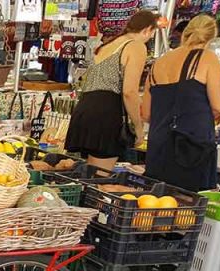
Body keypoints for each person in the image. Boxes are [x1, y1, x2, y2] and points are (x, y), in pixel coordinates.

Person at [65, 10, 157, 170]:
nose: (149, 38)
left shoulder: (108, 45)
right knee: (100, 178)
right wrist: (138, 127)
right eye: (152, 34)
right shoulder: (135, 46)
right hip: (107, 114)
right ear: (147, 30)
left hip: (85, 109)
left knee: (90, 175)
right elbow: (130, 92)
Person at [143, 14, 220, 191]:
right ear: (212, 36)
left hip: (158, 146)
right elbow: (219, 106)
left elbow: (146, 113)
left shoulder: (159, 63)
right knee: (188, 209)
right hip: (191, 148)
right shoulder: (207, 58)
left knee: (154, 206)